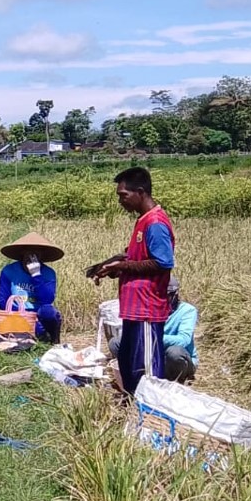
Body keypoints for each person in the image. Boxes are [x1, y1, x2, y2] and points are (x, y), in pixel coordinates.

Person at [93, 166, 175, 397]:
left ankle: (149, 410)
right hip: (134, 307)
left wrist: (123, 267)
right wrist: (113, 268)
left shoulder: (155, 223)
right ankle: (131, 404)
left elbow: (163, 263)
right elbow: (137, 259)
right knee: (129, 361)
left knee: (147, 370)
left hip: (147, 308)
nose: (120, 201)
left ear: (140, 192)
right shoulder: (143, 220)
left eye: (123, 195)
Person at [109, 277, 197, 383]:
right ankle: (139, 374)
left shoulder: (187, 311)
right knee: (116, 343)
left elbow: (184, 340)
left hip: (175, 359)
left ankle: (175, 380)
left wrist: (154, 337)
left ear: (175, 294)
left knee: (174, 353)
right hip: (152, 356)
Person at [0, 231, 64, 344]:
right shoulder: (9, 271)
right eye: (29, 252)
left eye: (37, 252)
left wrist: (36, 275)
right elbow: (3, 302)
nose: (32, 256)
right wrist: (24, 316)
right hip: (17, 314)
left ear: (42, 255)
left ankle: (52, 339)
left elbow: (47, 300)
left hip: (39, 315)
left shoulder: (48, 273)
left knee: (49, 312)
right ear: (22, 252)